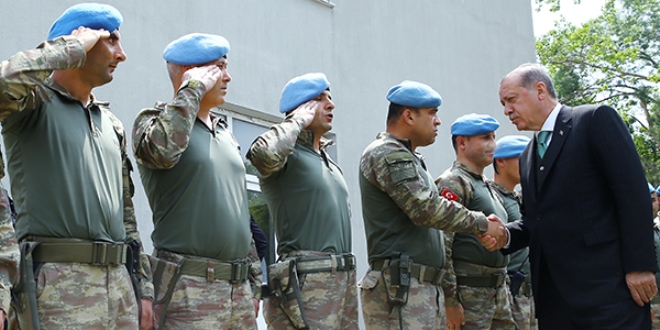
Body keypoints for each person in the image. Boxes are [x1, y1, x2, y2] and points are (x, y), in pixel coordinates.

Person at [0, 3, 154, 329]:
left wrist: (143, 288)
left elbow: (127, 216)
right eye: (111, 40)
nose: (121, 54)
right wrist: (67, 48)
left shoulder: (111, 123)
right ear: (79, 42)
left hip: (119, 288)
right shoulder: (32, 102)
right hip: (56, 289)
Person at [492, 63, 658, 329]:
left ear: (540, 90)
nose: (507, 110)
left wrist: (640, 266)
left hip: (608, 292)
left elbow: (633, 194)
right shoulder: (527, 156)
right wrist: (504, 234)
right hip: (556, 303)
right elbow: (537, 220)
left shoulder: (593, 120)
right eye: (503, 103)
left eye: (512, 100)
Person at [132, 33, 260, 329]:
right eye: (219, 67)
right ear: (195, 74)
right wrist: (192, 89)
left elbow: (240, 212)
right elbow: (164, 150)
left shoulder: (226, 133)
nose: (228, 76)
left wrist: (253, 278)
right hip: (188, 287)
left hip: (237, 289)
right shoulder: (154, 121)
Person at [358, 80, 507, 329]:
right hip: (402, 289)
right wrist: (482, 223)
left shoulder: (411, 159)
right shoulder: (387, 153)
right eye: (432, 113)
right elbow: (425, 209)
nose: (438, 121)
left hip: (420, 287)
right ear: (408, 116)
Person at [248, 72, 357, 329]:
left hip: (342, 281)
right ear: (302, 107)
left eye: (330, 97)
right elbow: (262, 154)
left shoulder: (327, 161)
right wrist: (297, 120)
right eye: (320, 99)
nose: (330, 104)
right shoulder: (289, 155)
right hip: (308, 280)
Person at [436, 114, 515, 330]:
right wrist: (451, 301)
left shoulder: (489, 187)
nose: (493, 144)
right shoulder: (454, 181)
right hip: (469, 295)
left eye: (493, 137)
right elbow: (442, 246)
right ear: (462, 143)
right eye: (485, 138)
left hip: (498, 293)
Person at [489, 135, 537, 330]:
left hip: (530, 294)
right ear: (500, 161)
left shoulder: (521, 199)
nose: (529, 165)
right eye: (522, 158)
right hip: (509, 292)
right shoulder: (491, 198)